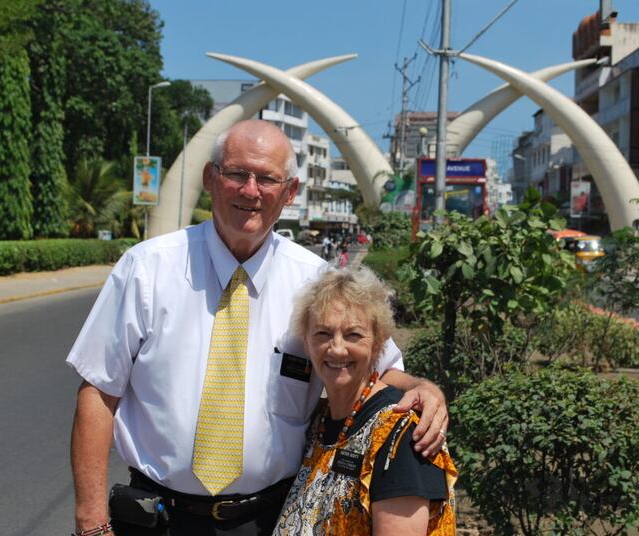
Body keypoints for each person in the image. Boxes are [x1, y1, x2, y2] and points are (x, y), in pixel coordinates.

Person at [67, 120, 449, 536]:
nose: (251, 191)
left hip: (268, 519)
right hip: (156, 517)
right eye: (237, 174)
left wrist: (424, 389)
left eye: (267, 178)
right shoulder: (146, 269)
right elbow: (98, 392)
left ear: (289, 193)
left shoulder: (315, 282)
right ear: (210, 178)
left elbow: (375, 367)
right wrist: (91, 521)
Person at [274, 267, 457, 535]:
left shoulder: (401, 436)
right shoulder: (321, 422)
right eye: (323, 334)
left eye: (353, 335)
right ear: (306, 342)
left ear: (378, 344)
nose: (337, 348)